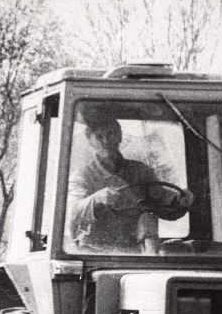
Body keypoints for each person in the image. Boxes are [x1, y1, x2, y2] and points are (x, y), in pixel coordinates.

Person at [65, 107, 193, 251]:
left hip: (133, 252)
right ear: (90, 141)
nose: (106, 141)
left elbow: (163, 203)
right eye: (99, 137)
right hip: (95, 252)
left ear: (119, 136)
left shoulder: (140, 171)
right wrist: (96, 199)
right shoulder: (82, 176)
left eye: (111, 134)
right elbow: (73, 212)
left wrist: (180, 202)